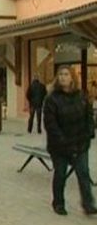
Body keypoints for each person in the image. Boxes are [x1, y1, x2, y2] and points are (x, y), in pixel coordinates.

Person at [43, 65, 96, 216]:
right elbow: (50, 124)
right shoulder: (52, 99)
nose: (63, 77)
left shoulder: (81, 96)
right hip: (60, 146)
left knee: (83, 173)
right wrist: (63, 141)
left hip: (80, 143)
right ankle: (58, 203)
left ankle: (88, 204)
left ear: (72, 77)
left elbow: (89, 117)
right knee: (60, 173)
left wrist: (89, 133)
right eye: (60, 74)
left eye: (66, 74)